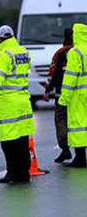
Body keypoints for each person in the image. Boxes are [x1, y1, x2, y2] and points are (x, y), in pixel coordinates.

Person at [0, 25, 35, 184]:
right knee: (23, 139)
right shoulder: (23, 52)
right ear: (12, 36)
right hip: (23, 101)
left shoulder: (2, 54)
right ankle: (24, 173)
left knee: (8, 141)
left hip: (9, 104)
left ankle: (12, 174)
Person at [58, 23, 87, 168]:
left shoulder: (76, 53)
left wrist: (64, 99)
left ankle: (80, 158)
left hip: (79, 95)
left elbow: (70, 78)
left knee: (78, 126)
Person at [43, 28, 73, 163]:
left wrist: (47, 90)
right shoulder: (81, 52)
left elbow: (53, 74)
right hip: (79, 96)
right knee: (79, 123)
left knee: (61, 121)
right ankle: (80, 153)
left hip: (62, 95)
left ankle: (65, 150)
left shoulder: (60, 54)